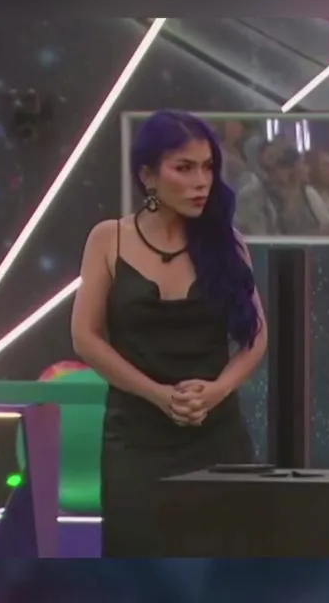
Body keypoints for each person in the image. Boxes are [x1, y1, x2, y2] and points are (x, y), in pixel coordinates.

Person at [71, 110, 269, 557]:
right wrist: (159, 395)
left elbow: (256, 337)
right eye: (184, 168)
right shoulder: (109, 239)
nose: (201, 182)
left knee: (223, 571)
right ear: (148, 176)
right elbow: (86, 337)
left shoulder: (227, 242)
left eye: (208, 167)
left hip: (217, 435)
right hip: (136, 441)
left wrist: (217, 391)